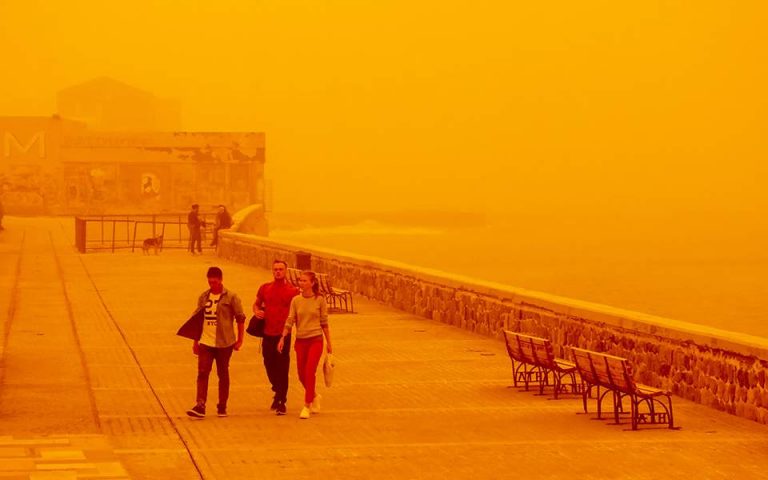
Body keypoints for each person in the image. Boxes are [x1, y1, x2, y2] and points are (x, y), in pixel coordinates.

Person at [186, 266, 246, 418]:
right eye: (209, 282)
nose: (212, 285)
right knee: (202, 372)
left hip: (224, 342)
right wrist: (195, 342)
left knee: (223, 373)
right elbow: (197, 320)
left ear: (220, 280)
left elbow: (240, 318)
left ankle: (222, 405)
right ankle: (200, 404)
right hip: (206, 342)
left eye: (214, 282)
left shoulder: (232, 297)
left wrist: (240, 340)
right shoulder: (203, 297)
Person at [278, 271, 332, 419]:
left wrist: (329, 343)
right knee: (301, 375)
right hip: (301, 341)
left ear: (312, 283)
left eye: (304, 281)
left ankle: (306, 406)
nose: (301, 283)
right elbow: (290, 320)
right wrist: (283, 337)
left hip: (316, 340)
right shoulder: (296, 300)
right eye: (300, 280)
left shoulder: (320, 300)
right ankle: (314, 395)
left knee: (309, 372)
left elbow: (324, 322)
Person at [253, 260, 299, 415]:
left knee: (282, 366)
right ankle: (277, 389)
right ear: (272, 271)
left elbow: (298, 311)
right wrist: (257, 311)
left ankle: (281, 400)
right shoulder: (265, 288)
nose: (278, 272)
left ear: (285, 271)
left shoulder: (293, 291)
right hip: (267, 333)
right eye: (275, 269)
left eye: (280, 269)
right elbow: (256, 304)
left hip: (283, 334)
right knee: (268, 363)